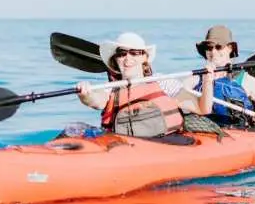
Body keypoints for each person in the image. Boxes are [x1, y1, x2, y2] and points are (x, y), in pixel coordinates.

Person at [77, 32, 214, 138]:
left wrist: (208, 80)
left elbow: (203, 108)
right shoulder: (111, 88)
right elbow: (97, 101)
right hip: (123, 148)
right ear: (116, 59)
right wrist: (86, 94)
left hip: (166, 144)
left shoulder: (163, 81)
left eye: (134, 53)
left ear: (144, 57)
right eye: (122, 53)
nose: (127, 59)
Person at [183, 25, 255, 125]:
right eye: (209, 48)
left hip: (239, 133)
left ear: (229, 48)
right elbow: (178, 98)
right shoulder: (194, 79)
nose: (213, 52)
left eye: (218, 47)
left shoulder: (244, 79)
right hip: (202, 132)